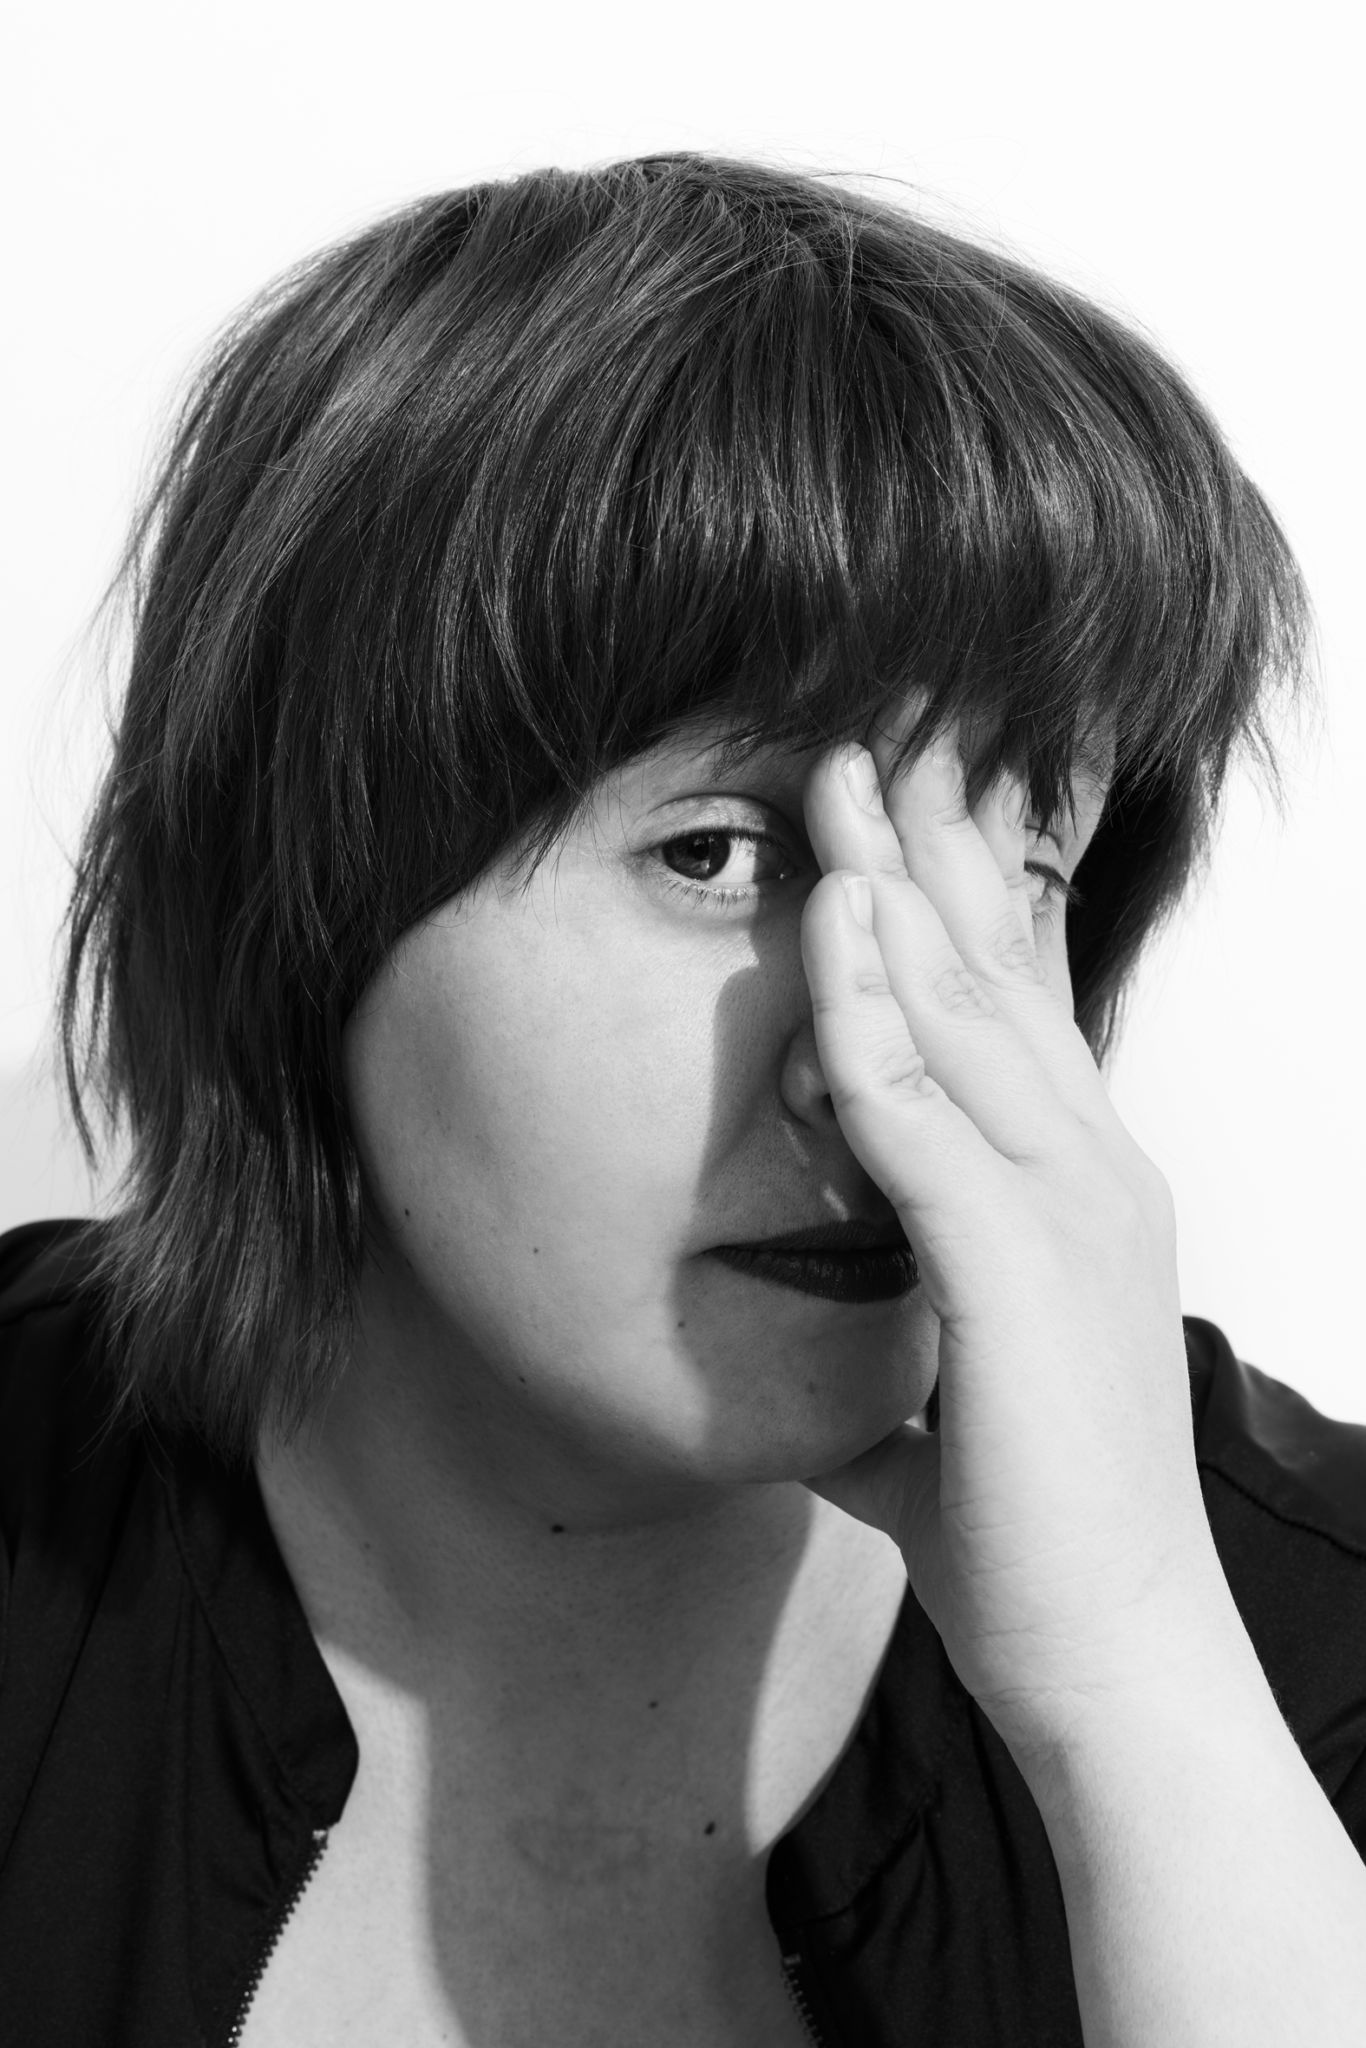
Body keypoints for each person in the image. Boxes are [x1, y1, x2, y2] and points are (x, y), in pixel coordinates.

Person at [2, 151, 1364, 2048]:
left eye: (1020, 869)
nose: (880, 1054)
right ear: (292, 909)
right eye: (719, 853)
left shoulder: (1312, 1648)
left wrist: (1133, 1683)